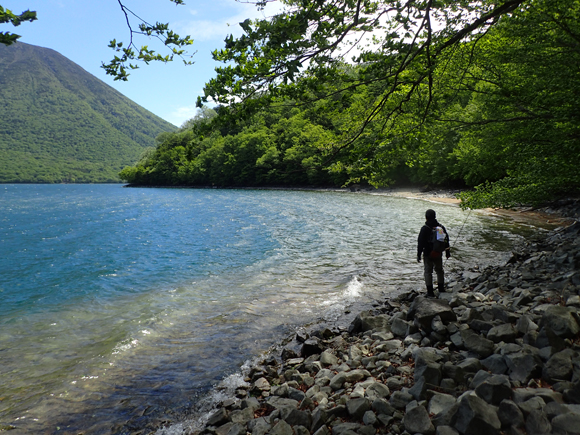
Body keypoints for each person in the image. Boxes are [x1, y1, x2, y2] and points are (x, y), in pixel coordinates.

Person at [417, 209, 450, 297]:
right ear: (435, 216)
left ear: (426, 217)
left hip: (428, 254)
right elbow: (446, 240)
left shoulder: (425, 228)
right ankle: (441, 288)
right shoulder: (440, 227)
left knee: (428, 272)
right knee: (439, 270)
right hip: (438, 253)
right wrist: (447, 252)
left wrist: (419, 255)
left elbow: (420, 242)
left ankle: (430, 292)